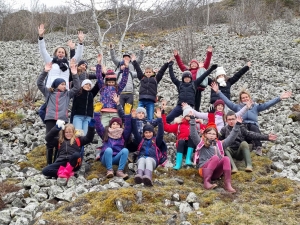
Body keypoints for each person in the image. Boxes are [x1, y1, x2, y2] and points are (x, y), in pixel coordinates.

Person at [211, 82, 292, 156]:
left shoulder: (256, 106)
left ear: (249, 98)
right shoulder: (237, 107)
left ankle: (258, 147)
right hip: (242, 128)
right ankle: (243, 147)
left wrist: (280, 98)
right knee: (241, 130)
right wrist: (218, 92)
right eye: (243, 98)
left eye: (246, 97)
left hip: (253, 127)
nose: (245, 99)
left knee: (253, 127)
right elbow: (227, 101)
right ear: (240, 99)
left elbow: (267, 104)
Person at [37, 59, 80, 165]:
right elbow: (39, 83)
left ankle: (56, 163)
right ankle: (48, 164)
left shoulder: (67, 94)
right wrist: (45, 71)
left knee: (60, 142)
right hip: (50, 119)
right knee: (49, 141)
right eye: (62, 84)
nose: (64, 86)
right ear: (56, 85)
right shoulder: (48, 93)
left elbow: (77, 87)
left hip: (62, 120)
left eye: (65, 84)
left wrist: (74, 74)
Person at [189, 111, 242, 193]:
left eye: (213, 134)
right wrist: (192, 120)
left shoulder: (220, 144)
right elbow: (193, 134)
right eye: (209, 133)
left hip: (216, 173)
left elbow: (231, 138)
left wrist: (237, 125)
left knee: (226, 158)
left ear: (216, 136)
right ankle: (206, 182)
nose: (211, 135)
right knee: (215, 157)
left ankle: (228, 184)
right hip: (203, 170)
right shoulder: (201, 143)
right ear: (205, 134)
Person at [38, 24, 84, 89]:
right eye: (59, 52)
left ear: (65, 54)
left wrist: (80, 43)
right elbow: (43, 50)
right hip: (51, 89)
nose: (61, 53)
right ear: (55, 53)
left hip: (64, 91)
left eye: (63, 52)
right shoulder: (50, 61)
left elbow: (78, 56)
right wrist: (41, 37)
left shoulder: (68, 63)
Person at [94, 103, 132, 179]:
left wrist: (127, 115)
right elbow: (98, 126)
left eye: (118, 124)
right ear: (110, 125)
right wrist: (96, 113)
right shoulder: (105, 132)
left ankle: (120, 171)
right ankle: (109, 170)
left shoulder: (122, 135)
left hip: (117, 158)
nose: (115, 126)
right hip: (106, 158)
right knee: (108, 150)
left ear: (120, 126)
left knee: (125, 150)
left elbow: (128, 127)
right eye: (113, 124)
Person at [131, 108, 167, 186]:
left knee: (147, 159)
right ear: (143, 134)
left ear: (153, 132)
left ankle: (148, 177)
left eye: (150, 132)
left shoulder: (156, 140)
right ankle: (139, 176)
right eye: (146, 133)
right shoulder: (141, 140)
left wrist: (159, 119)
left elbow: (161, 133)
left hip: (153, 160)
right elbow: (135, 131)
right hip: (143, 158)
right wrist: (133, 119)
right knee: (141, 159)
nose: (148, 134)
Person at [173, 46, 213, 111]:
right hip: (190, 89)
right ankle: (187, 114)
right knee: (189, 103)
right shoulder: (188, 71)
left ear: (197, 65)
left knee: (197, 104)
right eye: (192, 64)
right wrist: (177, 56)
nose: (193, 65)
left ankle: (196, 115)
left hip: (198, 88)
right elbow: (181, 65)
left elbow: (207, 63)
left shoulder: (200, 70)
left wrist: (209, 52)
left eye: (195, 64)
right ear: (190, 65)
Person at [132, 55, 171, 120]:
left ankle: (149, 127)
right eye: (146, 72)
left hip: (150, 101)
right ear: (144, 72)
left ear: (153, 72)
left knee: (150, 118)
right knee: (138, 115)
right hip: (142, 99)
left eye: (150, 72)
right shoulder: (142, 78)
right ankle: (138, 127)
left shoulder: (156, 79)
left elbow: (161, 71)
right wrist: (134, 61)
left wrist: (167, 63)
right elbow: (138, 69)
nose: (148, 73)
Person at [95, 54, 129, 127]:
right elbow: (99, 77)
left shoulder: (117, 88)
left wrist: (126, 68)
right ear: (106, 81)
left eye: (112, 82)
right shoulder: (102, 88)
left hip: (115, 112)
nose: (111, 83)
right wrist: (98, 64)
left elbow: (124, 80)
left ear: (115, 82)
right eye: (109, 82)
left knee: (115, 129)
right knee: (103, 130)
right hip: (104, 112)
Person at [182, 99, 250, 132]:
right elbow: (198, 114)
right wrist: (187, 108)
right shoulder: (210, 115)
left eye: (221, 106)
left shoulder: (226, 116)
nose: (220, 107)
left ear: (223, 107)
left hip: (222, 135)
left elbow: (238, 114)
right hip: (211, 134)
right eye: (218, 105)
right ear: (215, 107)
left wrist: (246, 107)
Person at [109, 43, 144, 108]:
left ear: (130, 59)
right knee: (120, 109)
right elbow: (114, 58)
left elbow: (140, 60)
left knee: (128, 110)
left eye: (128, 58)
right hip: (120, 92)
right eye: (124, 58)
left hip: (129, 90)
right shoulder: (119, 64)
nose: (126, 59)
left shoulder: (133, 65)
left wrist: (141, 50)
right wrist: (111, 49)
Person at [162, 103, 195, 170]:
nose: (189, 117)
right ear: (184, 116)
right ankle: (178, 164)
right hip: (181, 145)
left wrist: (211, 115)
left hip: (191, 146)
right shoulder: (179, 124)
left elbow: (209, 127)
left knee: (191, 137)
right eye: (187, 115)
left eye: (190, 115)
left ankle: (188, 160)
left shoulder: (195, 124)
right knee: (181, 141)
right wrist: (163, 115)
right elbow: (166, 127)